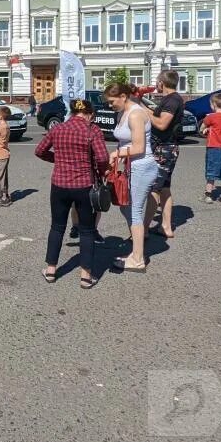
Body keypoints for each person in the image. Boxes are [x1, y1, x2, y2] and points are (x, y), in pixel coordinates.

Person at [35, 99, 109, 289]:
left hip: (59, 184)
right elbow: (102, 157)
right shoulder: (92, 130)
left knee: (57, 227)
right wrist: (100, 172)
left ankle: (51, 270)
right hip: (84, 185)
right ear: (90, 114)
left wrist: (57, 159)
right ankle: (86, 276)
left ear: (72, 112)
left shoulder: (58, 128)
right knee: (86, 230)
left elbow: (39, 151)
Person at [105, 82, 158, 271]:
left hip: (142, 166)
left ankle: (137, 258)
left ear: (123, 96)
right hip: (132, 165)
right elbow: (125, 143)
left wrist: (116, 155)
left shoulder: (135, 114)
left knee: (134, 211)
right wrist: (116, 157)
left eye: (112, 101)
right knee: (126, 208)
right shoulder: (123, 112)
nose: (110, 105)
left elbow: (138, 147)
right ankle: (137, 248)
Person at [144, 70, 185, 239]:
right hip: (167, 148)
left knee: (154, 188)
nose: (156, 84)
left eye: (157, 81)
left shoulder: (172, 100)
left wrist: (143, 110)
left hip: (164, 149)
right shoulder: (170, 99)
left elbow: (161, 124)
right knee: (164, 188)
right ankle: (166, 227)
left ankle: (143, 229)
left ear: (162, 82)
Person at [200, 92, 221, 205]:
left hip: (213, 147)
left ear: (213, 104)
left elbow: (201, 128)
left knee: (211, 171)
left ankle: (208, 195)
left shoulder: (210, 117)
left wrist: (206, 129)